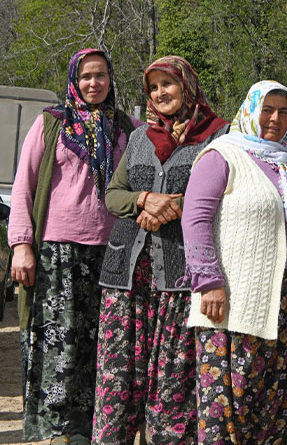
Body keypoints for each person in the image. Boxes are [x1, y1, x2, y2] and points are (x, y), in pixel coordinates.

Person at [182, 80, 287, 444]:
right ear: (251, 111)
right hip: (234, 294)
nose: (275, 119)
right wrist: (208, 280)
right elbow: (195, 218)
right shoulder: (222, 155)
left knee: (273, 391)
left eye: (283, 112)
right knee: (228, 394)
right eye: (267, 110)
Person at [93, 56, 228, 444]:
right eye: (153, 87)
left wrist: (172, 207)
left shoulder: (217, 137)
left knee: (173, 383)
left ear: (186, 85)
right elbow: (113, 195)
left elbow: (222, 196)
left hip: (179, 279)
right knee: (118, 378)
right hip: (126, 278)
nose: (159, 93)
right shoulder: (139, 137)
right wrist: (145, 200)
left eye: (167, 84)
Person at [8, 48, 136, 444]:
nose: (93, 83)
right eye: (86, 77)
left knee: (102, 342)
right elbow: (24, 186)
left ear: (111, 79)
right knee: (57, 338)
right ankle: (53, 428)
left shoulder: (128, 129)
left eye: (100, 75)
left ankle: (91, 426)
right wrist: (21, 245)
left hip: (112, 253)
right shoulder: (52, 123)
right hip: (57, 251)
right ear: (73, 81)